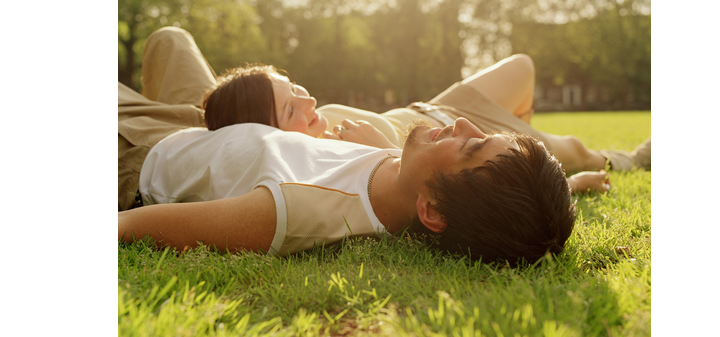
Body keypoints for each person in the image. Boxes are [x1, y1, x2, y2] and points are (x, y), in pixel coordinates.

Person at [118, 26, 648, 209]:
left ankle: (525, 139)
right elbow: (413, 198)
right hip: (442, 131)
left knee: (523, 68)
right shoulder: (309, 155)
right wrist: (568, 184)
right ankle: (631, 157)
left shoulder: (296, 121)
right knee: (572, 149)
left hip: (432, 108)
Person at [121, 115, 576, 265]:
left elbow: (129, 226)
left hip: (139, 155)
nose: (462, 123)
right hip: (197, 123)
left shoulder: (295, 208)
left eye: (471, 145)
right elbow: (510, 209)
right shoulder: (406, 177)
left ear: (432, 210)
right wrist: (570, 186)